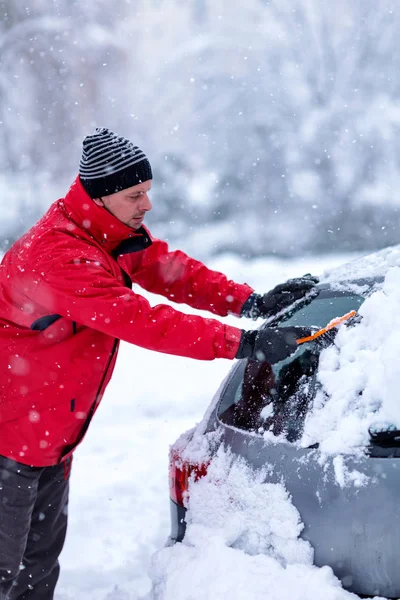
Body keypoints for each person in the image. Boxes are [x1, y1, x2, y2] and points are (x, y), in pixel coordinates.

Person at [0, 127, 317, 598]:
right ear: (100, 196)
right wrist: (244, 344)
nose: (147, 204)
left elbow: (169, 270)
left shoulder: (106, 232)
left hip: (48, 438)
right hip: (10, 441)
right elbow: (143, 321)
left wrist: (250, 302)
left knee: (38, 569)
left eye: (147, 191)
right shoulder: (58, 256)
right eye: (136, 194)